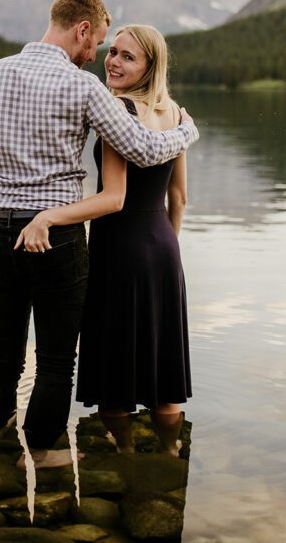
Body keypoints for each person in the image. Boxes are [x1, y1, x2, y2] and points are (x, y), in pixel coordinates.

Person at [0, 0, 198, 465]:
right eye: (98, 44)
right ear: (83, 30)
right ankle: (40, 454)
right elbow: (144, 150)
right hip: (57, 238)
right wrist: (186, 130)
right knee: (57, 361)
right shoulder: (84, 89)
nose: (96, 57)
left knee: (2, 355)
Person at [14, 24, 191, 450]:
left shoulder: (119, 112)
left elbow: (114, 197)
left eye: (128, 57)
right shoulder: (177, 113)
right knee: (164, 369)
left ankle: (124, 456)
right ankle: (169, 453)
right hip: (165, 246)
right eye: (113, 52)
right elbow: (180, 197)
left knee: (117, 373)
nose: (113, 61)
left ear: (150, 66)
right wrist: (166, 251)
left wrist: (50, 217)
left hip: (119, 248)